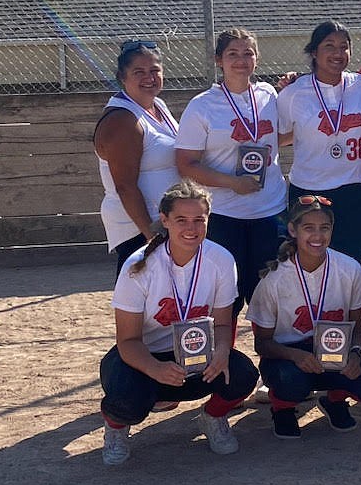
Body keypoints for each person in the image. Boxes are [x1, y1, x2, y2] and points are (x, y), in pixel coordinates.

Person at [98, 181, 259, 465]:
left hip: (197, 356)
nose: (191, 228)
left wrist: (221, 353)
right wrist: (155, 368)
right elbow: (128, 341)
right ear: (164, 220)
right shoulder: (139, 265)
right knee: (126, 398)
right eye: (181, 219)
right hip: (145, 358)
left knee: (243, 374)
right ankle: (116, 428)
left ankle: (213, 418)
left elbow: (223, 324)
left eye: (199, 220)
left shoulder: (221, 260)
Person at [246, 195, 361, 439]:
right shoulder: (274, 279)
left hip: (336, 348)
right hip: (289, 355)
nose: (317, 236)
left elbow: (358, 327)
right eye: (308, 228)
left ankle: (334, 400)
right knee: (289, 381)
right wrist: (295, 355)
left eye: (324, 228)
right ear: (293, 230)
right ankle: (283, 409)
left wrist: (356, 354)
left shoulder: (349, 269)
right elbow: (261, 343)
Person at [175, 29, 288, 315]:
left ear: (257, 59)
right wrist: (231, 183)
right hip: (225, 215)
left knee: (271, 298)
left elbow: (280, 137)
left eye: (248, 53)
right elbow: (186, 163)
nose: (241, 60)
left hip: (270, 211)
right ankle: (224, 357)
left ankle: (274, 360)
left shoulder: (269, 96)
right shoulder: (202, 105)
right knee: (227, 298)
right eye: (232, 54)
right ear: (218, 61)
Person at [277, 22, 361, 264]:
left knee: (352, 262)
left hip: (356, 190)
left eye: (344, 47)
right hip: (310, 189)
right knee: (308, 261)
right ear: (314, 52)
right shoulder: (294, 92)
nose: (337, 53)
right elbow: (278, 138)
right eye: (329, 46)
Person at [94, 40, 180, 275]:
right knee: (139, 299)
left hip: (167, 222)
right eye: (139, 72)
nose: (149, 78)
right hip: (139, 229)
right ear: (122, 77)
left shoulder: (157, 105)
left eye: (154, 71)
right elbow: (125, 186)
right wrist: (151, 235)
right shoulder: (122, 120)